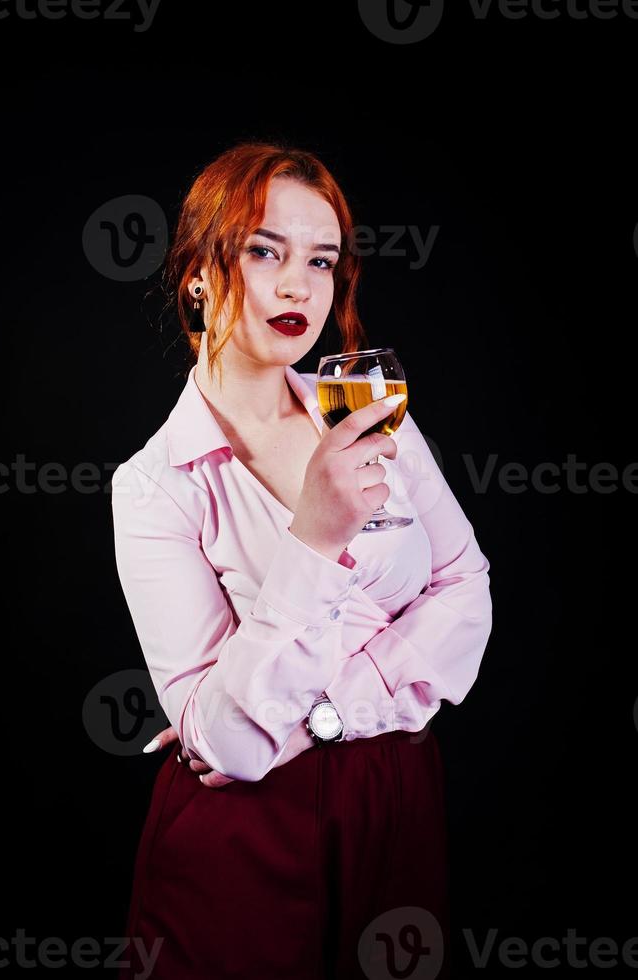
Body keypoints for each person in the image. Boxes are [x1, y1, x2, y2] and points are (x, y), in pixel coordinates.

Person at [111, 141, 493, 980]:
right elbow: (231, 752)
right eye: (263, 251)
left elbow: (467, 588)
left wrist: (323, 716)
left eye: (321, 260)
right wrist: (314, 538)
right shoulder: (152, 487)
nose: (298, 286)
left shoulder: (366, 411)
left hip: (398, 797)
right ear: (198, 275)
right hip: (246, 827)